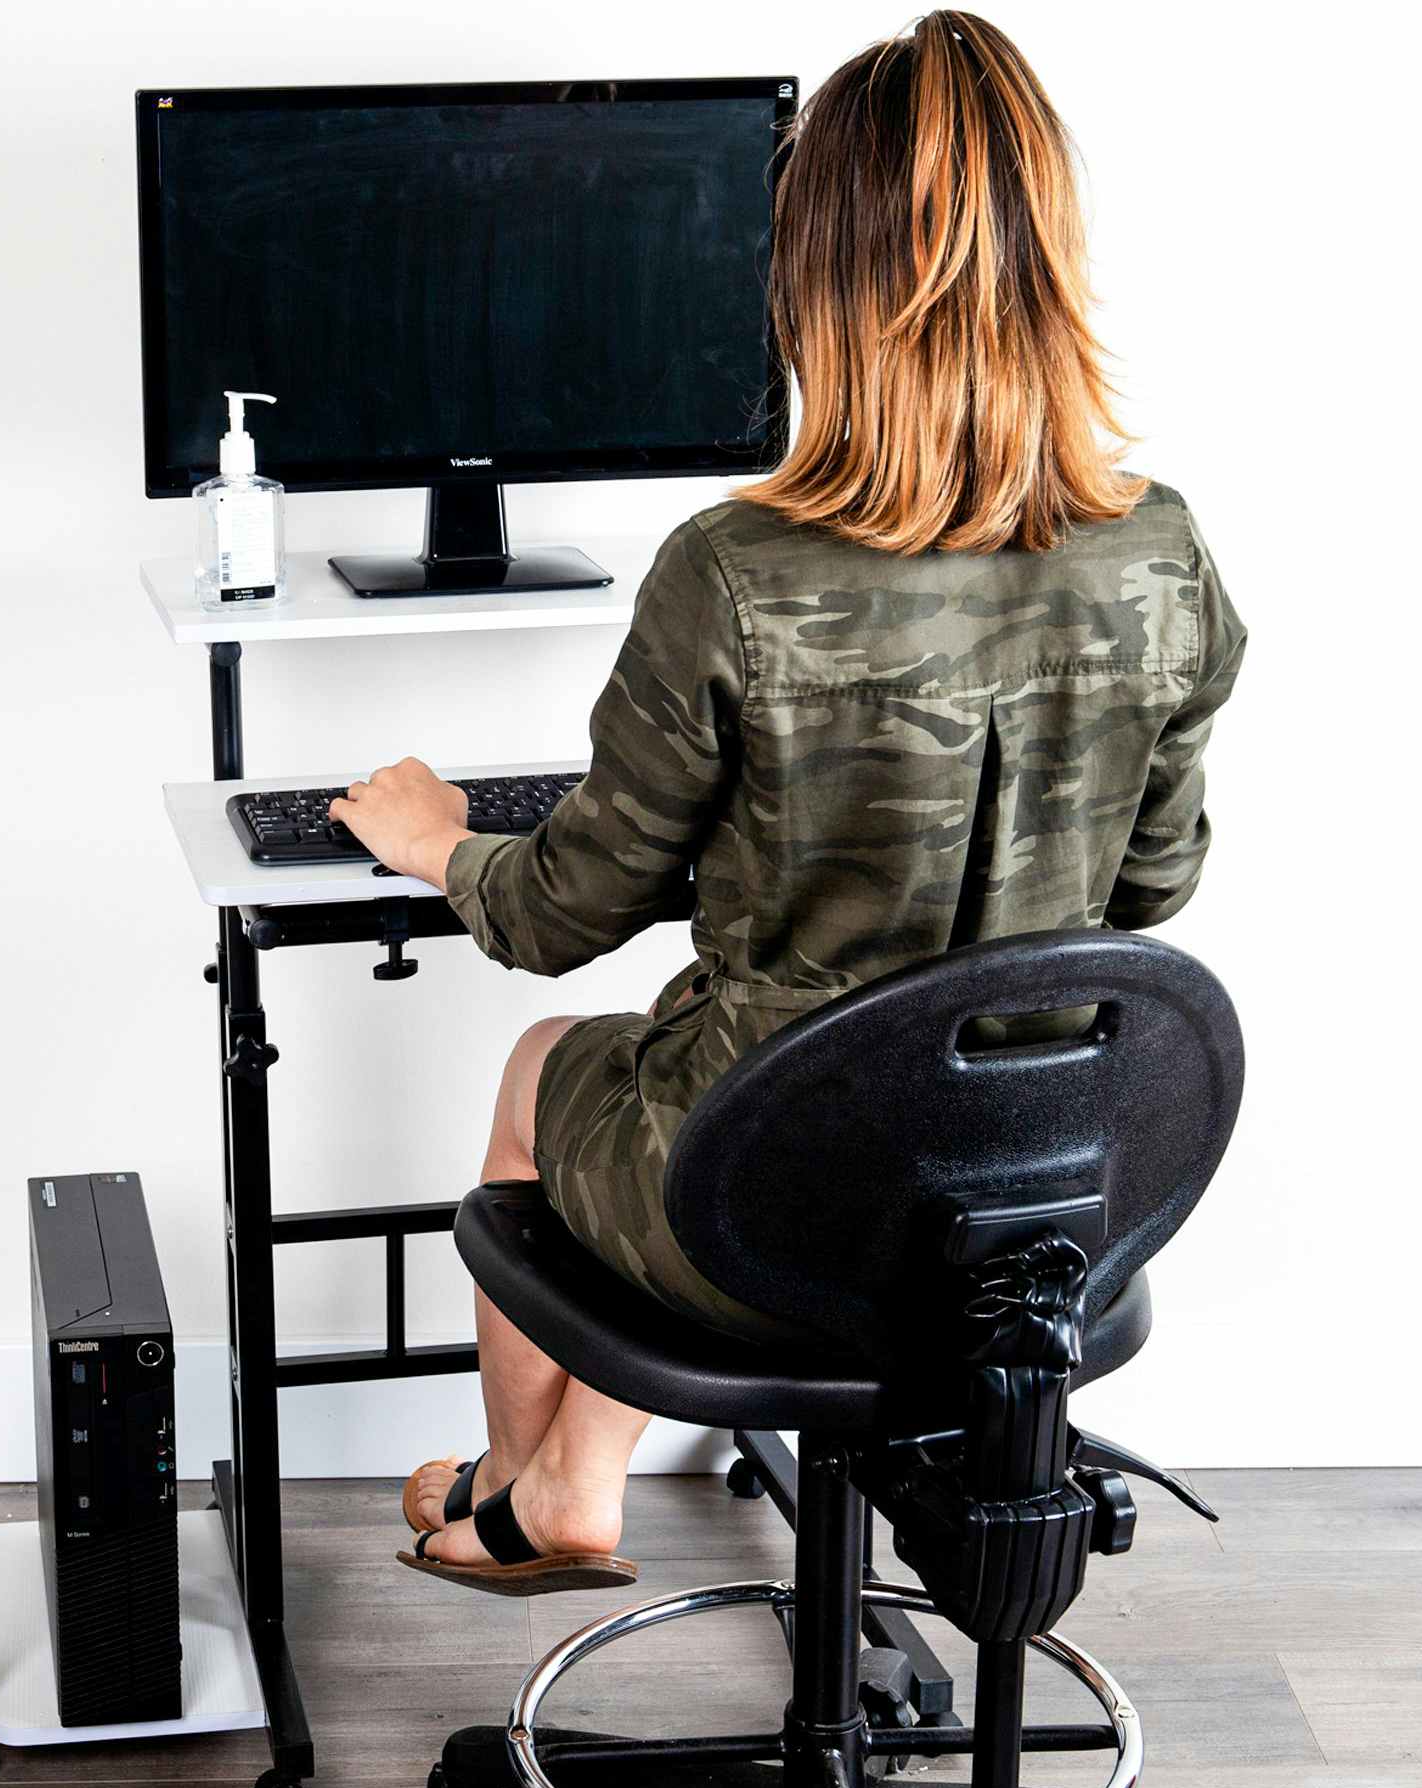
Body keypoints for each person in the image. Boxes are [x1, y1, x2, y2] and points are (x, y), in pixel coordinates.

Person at [330, 9, 1246, 1594]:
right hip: (1040, 1224)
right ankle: (552, 1483)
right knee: (709, 1089)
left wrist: (437, 841)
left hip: (779, 1228)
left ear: (816, 274)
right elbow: (1150, 899)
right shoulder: (1160, 553)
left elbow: (558, 918)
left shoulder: (740, 573)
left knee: (561, 1065)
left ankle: (528, 1489)